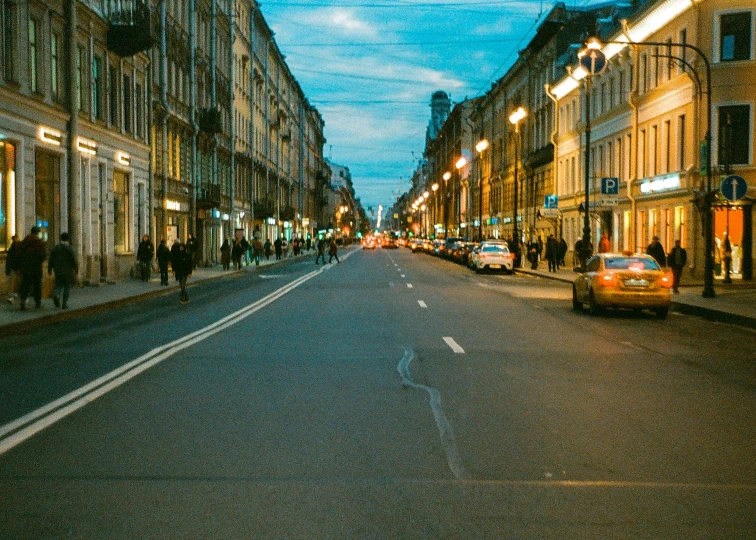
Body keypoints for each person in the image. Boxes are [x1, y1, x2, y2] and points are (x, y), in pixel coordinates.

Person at [18, 226, 47, 310]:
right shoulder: (39, 242)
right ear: (37, 233)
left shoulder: (24, 242)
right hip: (36, 267)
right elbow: (43, 255)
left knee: (25, 284)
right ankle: (38, 302)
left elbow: (19, 254)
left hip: (25, 267)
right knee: (37, 285)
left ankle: (23, 301)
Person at [48, 232, 79, 309]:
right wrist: (76, 269)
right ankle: (64, 304)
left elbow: (51, 259)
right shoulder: (70, 248)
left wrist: (50, 269)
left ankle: (56, 295)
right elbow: (74, 260)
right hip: (68, 271)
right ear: (68, 239)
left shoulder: (56, 248)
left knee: (58, 285)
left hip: (57, 270)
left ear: (61, 238)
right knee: (67, 287)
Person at [5, 234, 21, 305]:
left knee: (13, 283)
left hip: (12, 268)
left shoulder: (11, 248)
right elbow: (19, 258)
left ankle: (12, 297)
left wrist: (7, 270)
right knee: (17, 284)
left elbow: (9, 260)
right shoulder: (19, 248)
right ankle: (14, 298)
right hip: (17, 268)